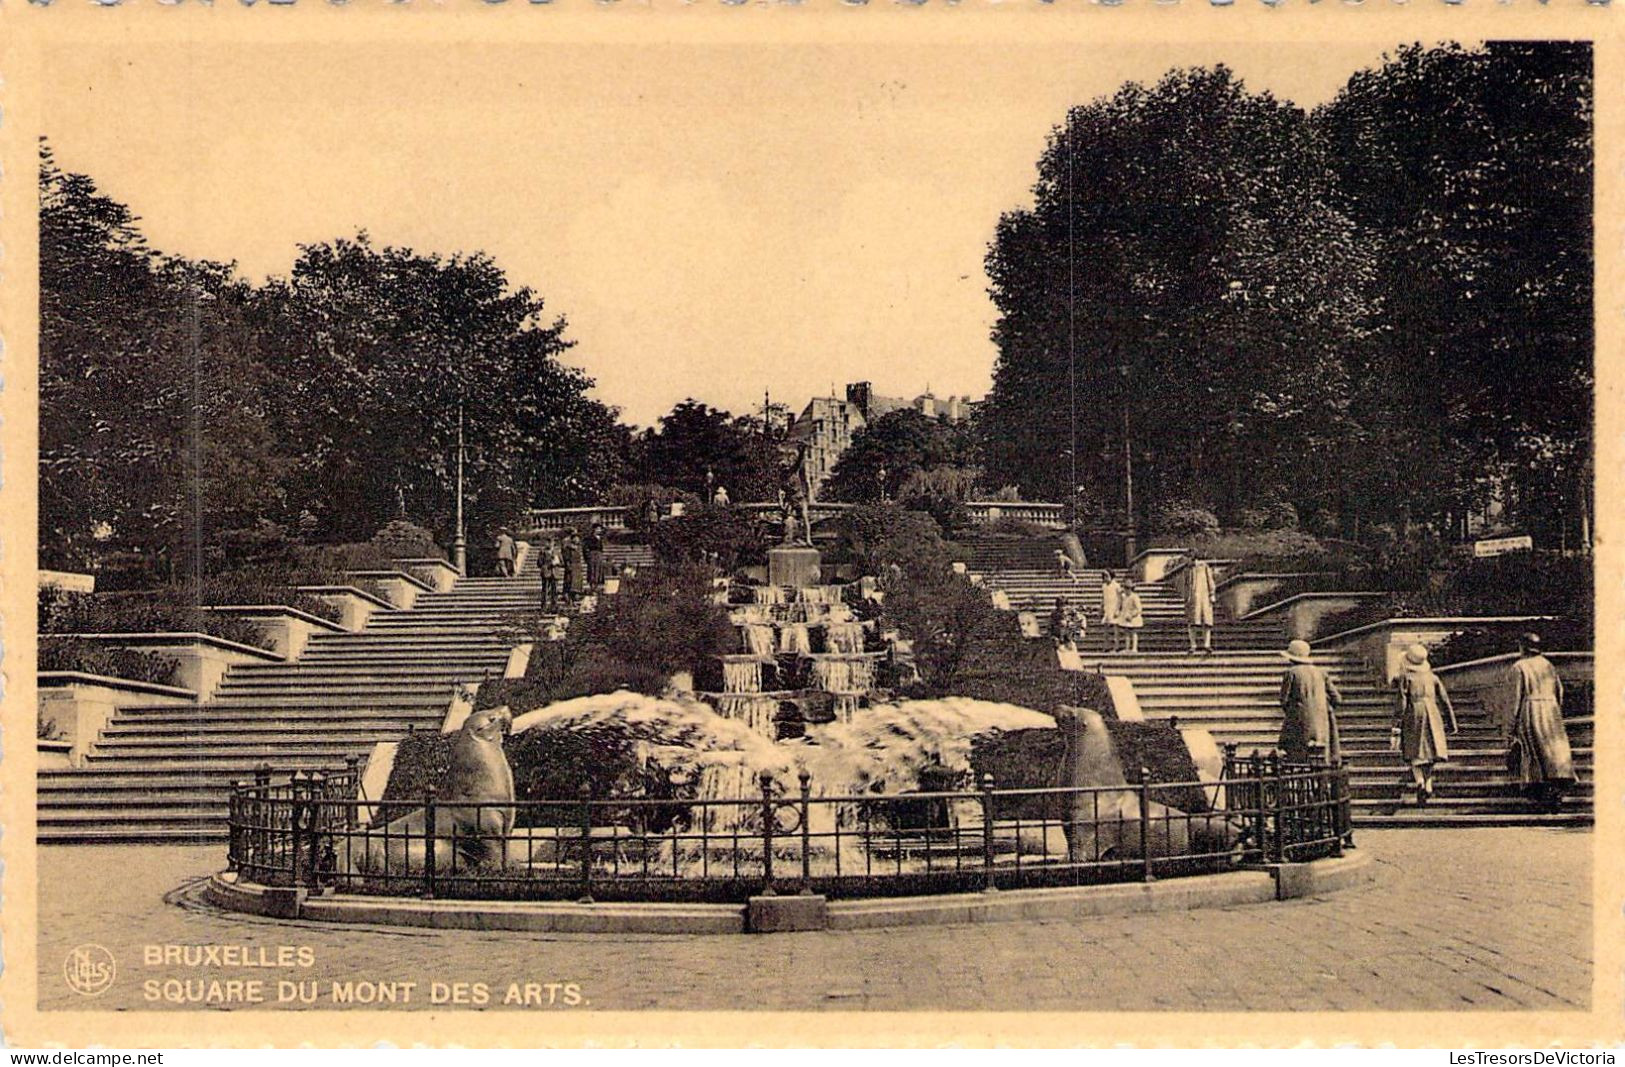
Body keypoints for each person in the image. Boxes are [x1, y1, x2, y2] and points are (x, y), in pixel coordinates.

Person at [1506, 632, 1575, 811]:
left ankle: (1541, 793)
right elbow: (1559, 691)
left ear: (1523, 647)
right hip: (1551, 711)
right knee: (1553, 751)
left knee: (1533, 752)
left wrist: (1511, 726)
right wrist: (1555, 711)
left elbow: (1515, 698)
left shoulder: (1519, 666)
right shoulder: (1548, 665)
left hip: (1531, 709)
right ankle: (1556, 790)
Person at [1391, 644, 1458, 804]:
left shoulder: (1406, 678)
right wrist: (1451, 722)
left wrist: (1396, 725)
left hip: (1414, 712)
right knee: (1431, 751)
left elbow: (1402, 702)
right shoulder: (1433, 677)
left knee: (1414, 751)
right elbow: (1444, 700)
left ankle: (1420, 781)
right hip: (1433, 712)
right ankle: (1428, 784)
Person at [1278, 639, 1343, 763]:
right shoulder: (1321, 672)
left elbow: (1284, 700)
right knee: (1320, 756)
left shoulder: (1291, 673)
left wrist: (1294, 711)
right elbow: (1337, 698)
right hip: (1321, 722)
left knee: (1298, 757)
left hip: (1298, 721)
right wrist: (1323, 709)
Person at [1185, 552, 1216, 655]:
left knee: (1206, 621)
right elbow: (1185, 585)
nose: (1186, 560)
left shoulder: (1204, 566)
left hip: (1204, 597)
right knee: (1192, 621)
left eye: (1188, 558)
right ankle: (1193, 645)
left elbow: (1210, 580)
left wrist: (1212, 594)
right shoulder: (1187, 569)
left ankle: (1207, 644)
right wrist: (1186, 597)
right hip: (1192, 599)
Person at [1117, 577, 1145, 653]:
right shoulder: (1124, 597)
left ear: (1132, 588)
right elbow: (1120, 603)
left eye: (1128, 588)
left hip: (1133, 617)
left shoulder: (1134, 597)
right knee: (1126, 633)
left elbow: (1139, 608)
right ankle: (1127, 648)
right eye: (1125, 588)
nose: (1126, 590)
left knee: (1133, 633)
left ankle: (1134, 648)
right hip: (1126, 616)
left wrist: (1132, 615)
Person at [1100, 569, 1124, 654]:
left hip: (1114, 608)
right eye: (1104, 576)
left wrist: (1118, 609)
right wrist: (1101, 607)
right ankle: (1106, 646)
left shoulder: (1116, 585)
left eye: (1107, 576)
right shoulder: (1104, 586)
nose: (1105, 578)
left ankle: (1116, 647)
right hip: (1107, 608)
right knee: (1106, 628)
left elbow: (1121, 598)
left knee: (1115, 629)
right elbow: (1103, 598)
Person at [562, 529, 587, 600]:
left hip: (578, 566)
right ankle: (567, 594)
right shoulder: (568, 548)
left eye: (578, 538)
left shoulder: (578, 548)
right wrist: (568, 565)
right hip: (571, 565)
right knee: (569, 580)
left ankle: (577, 593)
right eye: (575, 538)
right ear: (572, 539)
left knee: (578, 580)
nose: (577, 539)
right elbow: (566, 557)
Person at [540, 537, 563, 609]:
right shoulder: (542, 552)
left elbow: (562, 563)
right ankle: (544, 606)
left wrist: (557, 563)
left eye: (551, 542)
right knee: (545, 590)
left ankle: (554, 606)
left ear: (554, 543)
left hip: (555, 573)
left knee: (555, 591)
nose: (549, 544)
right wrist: (547, 563)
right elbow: (539, 563)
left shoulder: (557, 552)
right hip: (546, 572)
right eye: (548, 542)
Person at [583, 523, 605, 588]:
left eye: (600, 529)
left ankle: (597, 585)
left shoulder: (600, 538)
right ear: (594, 529)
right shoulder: (589, 538)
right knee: (592, 570)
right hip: (592, 555)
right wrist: (587, 557)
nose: (599, 530)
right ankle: (592, 585)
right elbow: (585, 548)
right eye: (598, 529)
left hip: (599, 555)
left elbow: (601, 548)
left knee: (599, 570)